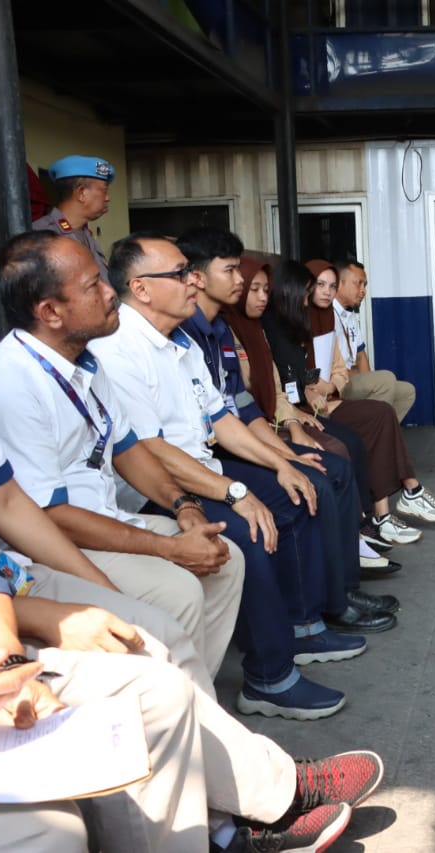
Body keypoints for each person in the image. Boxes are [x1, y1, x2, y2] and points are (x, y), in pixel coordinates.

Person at [0, 434, 385, 853]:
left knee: (150, 640)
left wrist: (187, 506)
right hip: (26, 590)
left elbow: (7, 504)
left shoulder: (91, 371)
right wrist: (12, 657)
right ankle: (265, 794)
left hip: (10, 586)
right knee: (151, 690)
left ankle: (227, 817)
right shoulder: (21, 375)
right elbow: (56, 507)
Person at [91, 233, 362, 720]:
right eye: (180, 273)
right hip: (157, 493)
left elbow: (223, 421)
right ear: (142, 288)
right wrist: (233, 492)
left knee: (295, 494)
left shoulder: (181, 343)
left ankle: (300, 629)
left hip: (205, 470)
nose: (192, 279)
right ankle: (268, 677)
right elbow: (151, 451)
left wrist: (283, 463)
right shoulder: (118, 349)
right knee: (248, 534)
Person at [0, 231, 244, 678]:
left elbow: (127, 450)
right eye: (93, 286)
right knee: (179, 588)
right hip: (59, 541)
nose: (112, 292)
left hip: (106, 518)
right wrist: (167, 549)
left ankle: (192, 703)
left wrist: (184, 507)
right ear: (49, 312)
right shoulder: (11, 379)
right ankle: (180, 707)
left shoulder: (86, 360)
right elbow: (47, 514)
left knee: (225, 558)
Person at [176, 230, 396, 635]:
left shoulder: (225, 331)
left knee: (328, 467)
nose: (251, 290)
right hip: (206, 460)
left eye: (262, 287)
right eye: (237, 275)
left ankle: (342, 590)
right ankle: (319, 609)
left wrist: (287, 446)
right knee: (317, 479)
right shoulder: (190, 335)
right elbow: (215, 422)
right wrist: (282, 455)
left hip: (242, 438)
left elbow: (242, 402)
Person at [223, 258, 398, 576]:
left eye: (265, 289)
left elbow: (287, 385)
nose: (262, 296)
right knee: (334, 455)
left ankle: (363, 530)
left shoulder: (275, 326)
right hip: (268, 427)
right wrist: (294, 422)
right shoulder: (240, 331)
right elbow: (260, 396)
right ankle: (349, 552)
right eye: (255, 288)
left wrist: (306, 408)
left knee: (357, 438)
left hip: (292, 415)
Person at [265, 260, 435, 541]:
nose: (326, 292)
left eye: (331, 286)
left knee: (384, 410)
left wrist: (328, 386)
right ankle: (393, 504)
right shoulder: (287, 326)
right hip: (308, 409)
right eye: (318, 286)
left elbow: (340, 368)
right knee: (378, 415)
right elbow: (290, 384)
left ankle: (396, 501)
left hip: (330, 398)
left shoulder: (325, 319)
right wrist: (310, 395)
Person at [328, 259, 417, 420]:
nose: (363, 290)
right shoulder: (328, 314)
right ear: (339, 284)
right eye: (358, 283)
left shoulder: (351, 315)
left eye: (365, 285)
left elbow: (361, 355)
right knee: (386, 378)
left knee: (406, 391)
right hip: (337, 382)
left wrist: (367, 381)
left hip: (353, 379)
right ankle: (375, 433)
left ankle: (381, 433)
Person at [31, 155, 115, 280]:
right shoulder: (40, 235)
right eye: (104, 190)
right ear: (81, 192)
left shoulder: (86, 234)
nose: (108, 198)